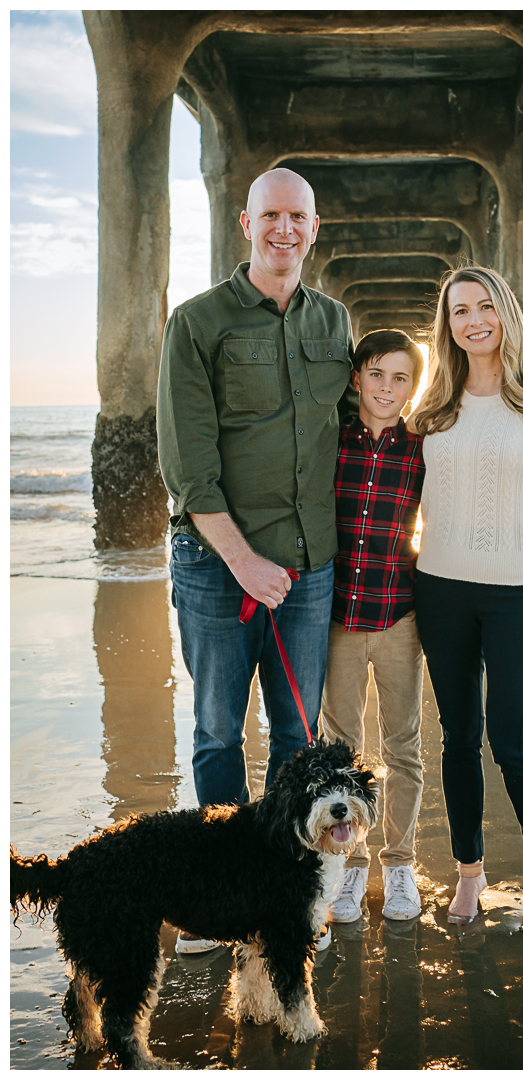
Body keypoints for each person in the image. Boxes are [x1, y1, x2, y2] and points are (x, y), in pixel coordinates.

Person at [157, 168, 356, 953]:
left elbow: (363, 429)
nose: (284, 228)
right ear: (246, 222)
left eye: (297, 216)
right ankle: (219, 890)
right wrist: (241, 562)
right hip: (217, 566)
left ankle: (282, 892)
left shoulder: (335, 322)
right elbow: (188, 467)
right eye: (270, 214)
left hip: (310, 568)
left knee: (296, 741)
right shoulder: (197, 322)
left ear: (315, 226)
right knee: (215, 730)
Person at [410, 265, 523, 934]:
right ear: (447, 326)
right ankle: (469, 875)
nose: (473, 320)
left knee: (513, 740)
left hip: (520, 596)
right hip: (441, 590)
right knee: (458, 739)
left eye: (485, 306)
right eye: (459, 311)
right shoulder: (433, 407)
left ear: (506, 313)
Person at [321, 329, 426, 923]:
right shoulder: (331, 439)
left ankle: (401, 862)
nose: (387, 387)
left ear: (414, 386)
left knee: (403, 743)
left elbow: (467, 499)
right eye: (377, 374)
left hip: (398, 615)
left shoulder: (422, 446)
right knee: (341, 749)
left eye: (401, 377)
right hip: (337, 616)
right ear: (357, 377)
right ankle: (350, 867)